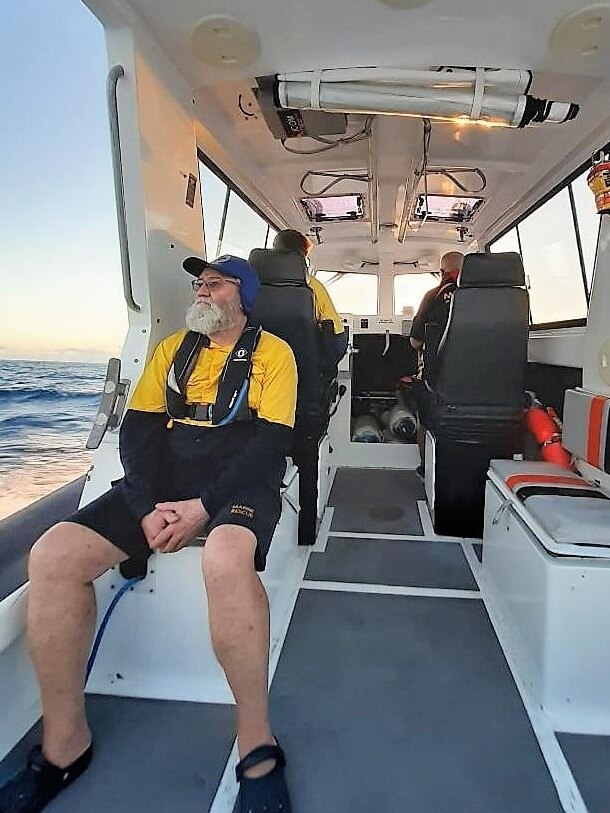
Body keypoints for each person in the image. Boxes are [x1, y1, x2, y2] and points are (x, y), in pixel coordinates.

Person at [0, 255, 297, 813]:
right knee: (54, 554)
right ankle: (66, 744)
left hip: (240, 480)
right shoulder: (170, 350)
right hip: (167, 477)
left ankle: (256, 739)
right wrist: (144, 508)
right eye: (199, 283)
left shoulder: (275, 354)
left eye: (215, 283)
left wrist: (203, 510)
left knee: (226, 557)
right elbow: (136, 435)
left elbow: (269, 445)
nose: (202, 291)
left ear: (245, 296)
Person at [409, 251, 464, 476]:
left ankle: (427, 470)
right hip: (478, 382)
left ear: (442, 272)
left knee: (427, 420)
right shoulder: (489, 299)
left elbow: (415, 341)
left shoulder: (432, 296)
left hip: (435, 381)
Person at [272, 229, 348, 364]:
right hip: (306, 366)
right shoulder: (313, 286)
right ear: (302, 256)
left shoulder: (252, 285)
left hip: (267, 362)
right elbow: (336, 338)